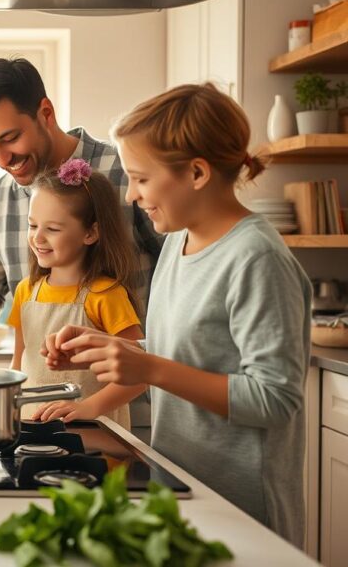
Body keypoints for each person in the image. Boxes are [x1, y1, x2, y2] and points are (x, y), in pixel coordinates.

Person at [43, 83, 310, 546]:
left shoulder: (255, 257)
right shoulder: (176, 244)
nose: (131, 196)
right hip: (182, 486)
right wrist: (109, 350)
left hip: (243, 507)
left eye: (142, 179)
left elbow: (274, 398)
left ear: (197, 173)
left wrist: (149, 366)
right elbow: (186, 353)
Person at [0, 57, 162, 339]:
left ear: (46, 113)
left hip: (132, 378)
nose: (1, 159)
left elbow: (182, 266)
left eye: (10, 138)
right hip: (38, 380)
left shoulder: (126, 171)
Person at [6, 159, 144, 428]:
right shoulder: (26, 291)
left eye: (53, 229)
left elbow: (140, 373)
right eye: (33, 226)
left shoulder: (105, 295)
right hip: (33, 432)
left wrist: (87, 408)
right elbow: (20, 360)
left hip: (95, 438)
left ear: (90, 233)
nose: (38, 238)